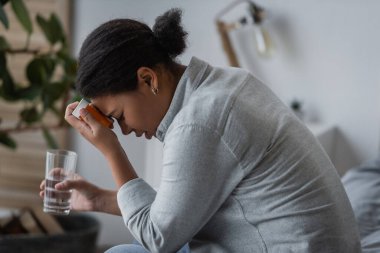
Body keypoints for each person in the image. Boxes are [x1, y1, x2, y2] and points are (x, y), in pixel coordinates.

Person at [40, 8, 361, 253]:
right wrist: (96, 199)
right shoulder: (224, 83)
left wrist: (111, 150)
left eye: (119, 116)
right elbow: (180, 212)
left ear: (148, 79)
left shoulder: (199, 122)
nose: (124, 129)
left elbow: (159, 237)